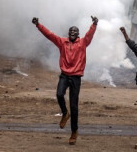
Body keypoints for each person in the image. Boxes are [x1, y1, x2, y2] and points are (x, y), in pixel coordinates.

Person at [32, 16, 98, 145]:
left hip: (76, 77)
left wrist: (94, 24)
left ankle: (74, 132)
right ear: (68, 34)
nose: (72, 33)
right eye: (71, 32)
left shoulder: (83, 42)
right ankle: (64, 113)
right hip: (64, 75)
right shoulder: (62, 42)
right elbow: (49, 35)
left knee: (74, 106)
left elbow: (89, 35)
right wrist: (38, 25)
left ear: (78, 34)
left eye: (75, 32)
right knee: (59, 94)